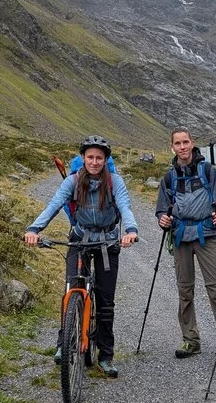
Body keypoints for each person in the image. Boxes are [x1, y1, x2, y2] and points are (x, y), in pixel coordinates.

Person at [25, 136, 138, 378]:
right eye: (90, 157)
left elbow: (125, 207)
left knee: (106, 302)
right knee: (71, 291)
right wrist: (34, 229)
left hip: (108, 241)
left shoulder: (115, 181)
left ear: (106, 160)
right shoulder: (73, 181)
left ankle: (105, 356)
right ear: (83, 159)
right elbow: (54, 205)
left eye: (99, 158)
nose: (94, 162)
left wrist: (131, 231)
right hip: (79, 239)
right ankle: (63, 344)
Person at [155, 128, 216, 364]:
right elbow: (162, 209)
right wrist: (163, 219)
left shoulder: (208, 171)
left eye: (186, 142)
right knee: (185, 290)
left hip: (207, 235)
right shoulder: (168, 178)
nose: (182, 147)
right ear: (172, 147)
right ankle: (191, 340)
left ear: (192, 144)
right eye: (178, 143)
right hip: (181, 237)